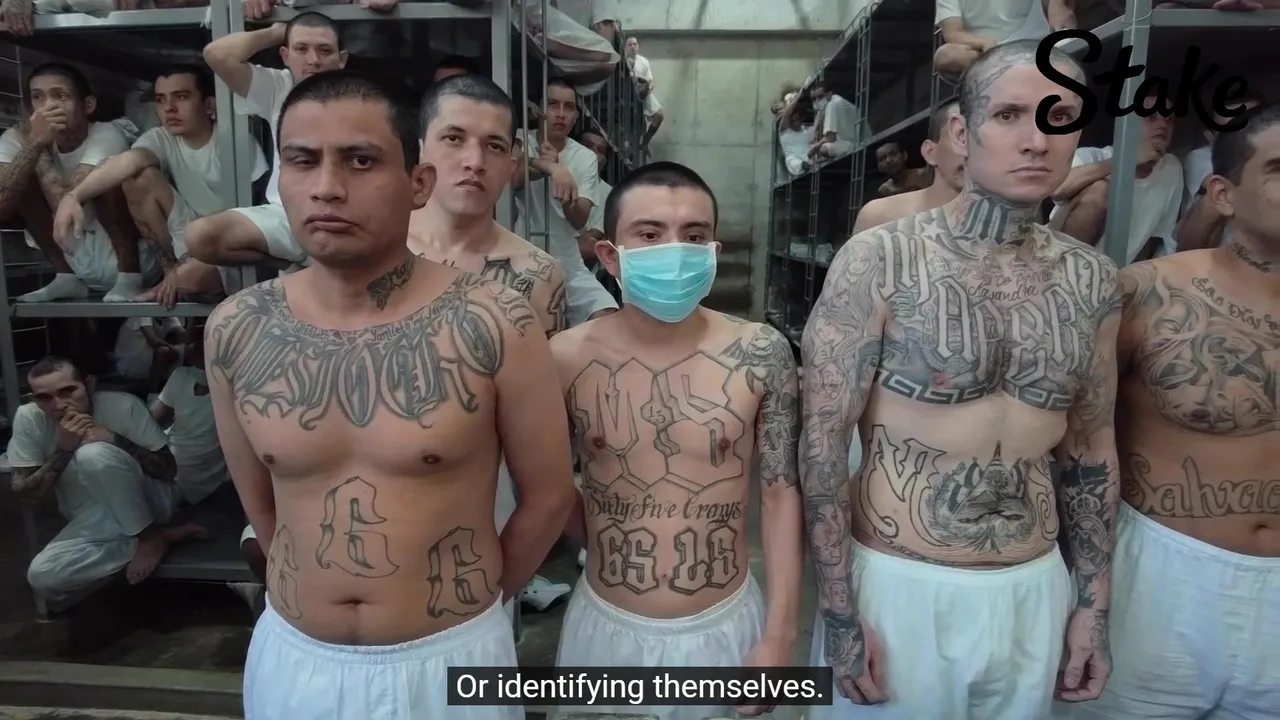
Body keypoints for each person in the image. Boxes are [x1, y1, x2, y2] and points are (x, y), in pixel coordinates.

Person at [207, 70, 574, 719]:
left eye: (361, 160)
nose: (326, 186)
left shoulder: (496, 321)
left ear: (418, 182)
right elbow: (262, 508)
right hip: (296, 660)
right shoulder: (238, 328)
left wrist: (480, 609)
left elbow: (549, 496)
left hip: (450, 656)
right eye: (302, 160)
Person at [801, 40, 1120, 718]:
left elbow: (1091, 450)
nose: (1036, 140)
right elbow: (822, 442)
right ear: (960, 132)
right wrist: (839, 611)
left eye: (1060, 118)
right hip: (901, 587)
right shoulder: (881, 260)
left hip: (1033, 585)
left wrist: (1092, 605)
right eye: (1008, 115)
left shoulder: (1092, 280)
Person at [551, 162, 803, 720]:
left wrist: (780, 635)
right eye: (650, 234)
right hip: (607, 629)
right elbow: (545, 484)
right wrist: (607, 537)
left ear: (713, 250)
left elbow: (781, 495)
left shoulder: (760, 352)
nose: (675, 250)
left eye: (693, 236)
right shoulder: (565, 357)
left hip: (725, 626)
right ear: (610, 255)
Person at [1054, 104, 1280, 720]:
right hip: (1162, 586)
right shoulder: (1146, 293)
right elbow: (1080, 445)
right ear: (1223, 194)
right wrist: (1087, 594)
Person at [407, 72, 572, 613]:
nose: (474, 160)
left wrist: (501, 585)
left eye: (494, 146)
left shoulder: (536, 275)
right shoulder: (369, 251)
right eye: (454, 138)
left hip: (479, 506)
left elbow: (539, 429)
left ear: (511, 162)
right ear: (420, 148)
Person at [52, 65, 269, 308]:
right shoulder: (161, 137)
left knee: (192, 278)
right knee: (137, 177)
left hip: (229, 244)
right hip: (187, 240)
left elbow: (256, 217)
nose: (169, 108)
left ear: (209, 105)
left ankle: (182, 280)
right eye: (160, 99)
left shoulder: (235, 141)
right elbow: (129, 161)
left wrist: (205, 260)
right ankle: (170, 272)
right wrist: (74, 197)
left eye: (181, 97)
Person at [8, 356, 205, 609]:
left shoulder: (123, 406)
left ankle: (148, 537)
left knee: (93, 454)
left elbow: (169, 472)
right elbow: (26, 498)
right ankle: (156, 537)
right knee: (42, 576)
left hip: (151, 501)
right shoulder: (29, 417)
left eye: (68, 391)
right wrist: (63, 449)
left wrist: (114, 439)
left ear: (89, 385)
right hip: (95, 517)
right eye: (44, 398)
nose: (58, 404)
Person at [188, 12, 347, 272]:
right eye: (301, 49)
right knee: (200, 236)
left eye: (325, 50)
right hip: (285, 215)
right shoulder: (278, 86)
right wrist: (276, 32)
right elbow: (217, 54)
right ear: (285, 55)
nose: (314, 60)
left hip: (343, 212)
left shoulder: (362, 97)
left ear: (342, 60)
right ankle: (294, 266)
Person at [0, 63, 158, 303]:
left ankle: (129, 277)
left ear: (88, 105)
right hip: (75, 261)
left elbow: (70, 201)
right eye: (37, 97)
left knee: (105, 177)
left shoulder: (107, 133)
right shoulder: (20, 137)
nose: (48, 107)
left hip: (137, 262)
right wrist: (34, 144)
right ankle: (65, 277)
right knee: (19, 176)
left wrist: (38, 145)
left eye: (60, 96)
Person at [512, 77, 618, 325]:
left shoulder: (585, 158)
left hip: (566, 260)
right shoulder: (519, 138)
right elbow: (514, 176)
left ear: (576, 116)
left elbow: (579, 219)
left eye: (568, 107)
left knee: (606, 314)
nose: (560, 114)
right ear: (538, 109)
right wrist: (550, 167)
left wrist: (567, 190)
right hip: (519, 256)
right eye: (552, 104)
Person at [1050, 95, 1181, 263]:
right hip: (1057, 263)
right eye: (1151, 117)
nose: (1163, 125)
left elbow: (1155, 235)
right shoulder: (1091, 156)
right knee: (1100, 189)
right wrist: (1125, 159)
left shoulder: (1171, 168)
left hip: (1116, 271)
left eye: (1169, 120)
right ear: (1126, 124)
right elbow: (1056, 190)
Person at [852, 100, 965, 233]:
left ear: (904, 155)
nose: (888, 160)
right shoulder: (882, 198)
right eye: (882, 159)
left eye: (893, 154)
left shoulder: (923, 175)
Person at [1174, 90, 1263, 252]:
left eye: (1251, 127)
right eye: (1229, 132)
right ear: (1211, 138)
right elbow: (1232, 184)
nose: (1243, 138)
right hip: (1195, 257)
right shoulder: (1200, 158)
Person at [151, 329, 228, 508]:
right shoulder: (233, 383)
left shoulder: (181, 376)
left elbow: (155, 420)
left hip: (175, 470)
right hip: (212, 475)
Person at [933, 0, 1075, 82]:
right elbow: (953, 33)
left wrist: (1057, 5)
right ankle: (1006, 74)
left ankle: (1063, 39)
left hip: (1037, 39)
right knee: (945, 56)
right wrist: (983, 43)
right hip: (990, 53)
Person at [113, 316, 184, 394]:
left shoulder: (167, 316)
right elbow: (153, 341)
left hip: (147, 360)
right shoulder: (142, 315)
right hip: (130, 363)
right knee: (164, 351)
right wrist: (173, 349)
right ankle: (153, 393)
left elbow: (182, 336)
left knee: (186, 350)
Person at [807, 79, 866, 162]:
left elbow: (830, 138)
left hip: (856, 142)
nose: (817, 101)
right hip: (851, 140)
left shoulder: (832, 104)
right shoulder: (834, 102)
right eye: (814, 99)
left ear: (829, 94)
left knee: (823, 149)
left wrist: (815, 147)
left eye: (820, 97)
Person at [636, 75, 665, 155]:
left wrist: (645, 85)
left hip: (642, 91)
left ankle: (644, 144)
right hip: (630, 87)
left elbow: (646, 81)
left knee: (659, 116)